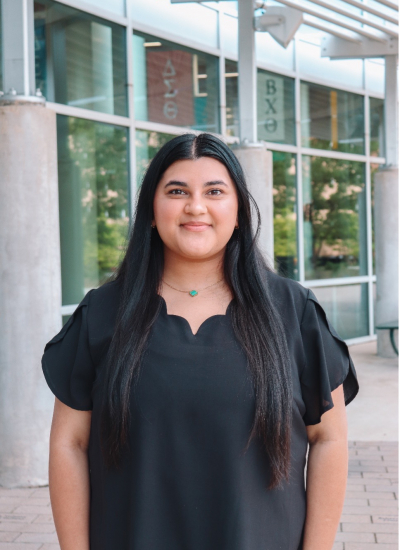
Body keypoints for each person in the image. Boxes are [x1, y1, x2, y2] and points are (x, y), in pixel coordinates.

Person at [41, 132, 359, 550]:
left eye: (214, 191)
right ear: (151, 210)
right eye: (177, 191)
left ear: (238, 210)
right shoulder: (102, 313)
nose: (195, 206)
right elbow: (69, 443)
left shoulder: (293, 312)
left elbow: (328, 439)